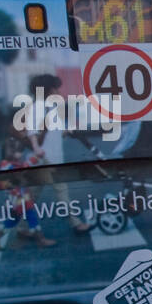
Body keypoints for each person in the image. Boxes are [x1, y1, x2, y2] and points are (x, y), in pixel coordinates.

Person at [24, 73, 93, 235]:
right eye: (55, 88)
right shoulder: (37, 108)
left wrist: (69, 131)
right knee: (61, 191)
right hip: (44, 158)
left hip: (53, 157)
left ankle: (20, 227)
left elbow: (58, 131)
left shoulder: (53, 108)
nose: (58, 91)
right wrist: (36, 149)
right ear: (47, 90)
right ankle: (76, 224)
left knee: (31, 195)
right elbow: (31, 131)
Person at [0, 135, 56, 249]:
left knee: (14, 220)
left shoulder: (7, 163)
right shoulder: (7, 166)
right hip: (18, 197)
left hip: (18, 196)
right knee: (31, 215)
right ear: (10, 152)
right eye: (19, 151)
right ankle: (40, 239)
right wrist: (36, 157)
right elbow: (24, 167)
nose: (21, 154)